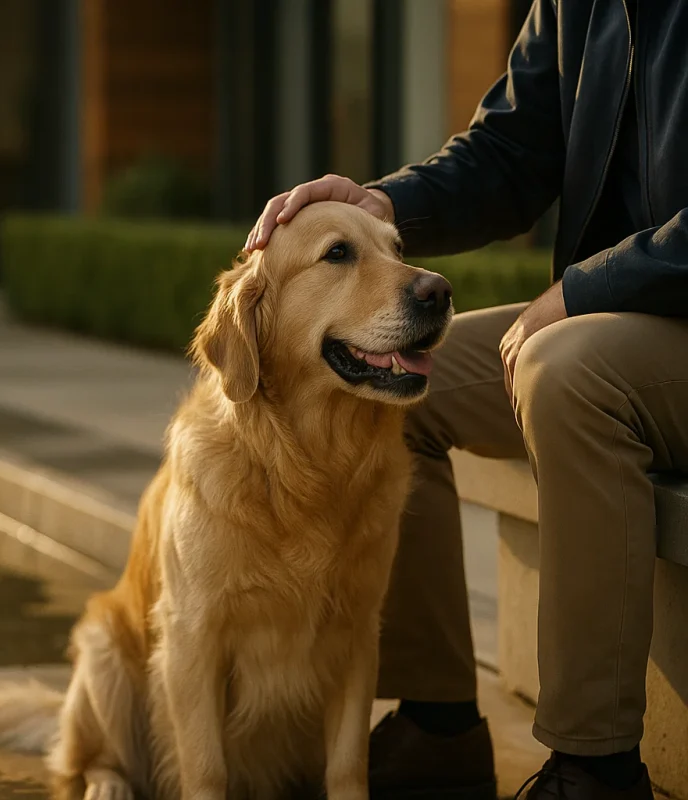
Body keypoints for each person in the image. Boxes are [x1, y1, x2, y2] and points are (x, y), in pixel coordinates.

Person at [246, 2, 688, 799]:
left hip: (625, 331)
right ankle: (438, 726)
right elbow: (510, 152)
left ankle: (595, 769)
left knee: (566, 369)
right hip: (626, 327)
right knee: (395, 380)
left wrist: (584, 289)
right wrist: (380, 205)